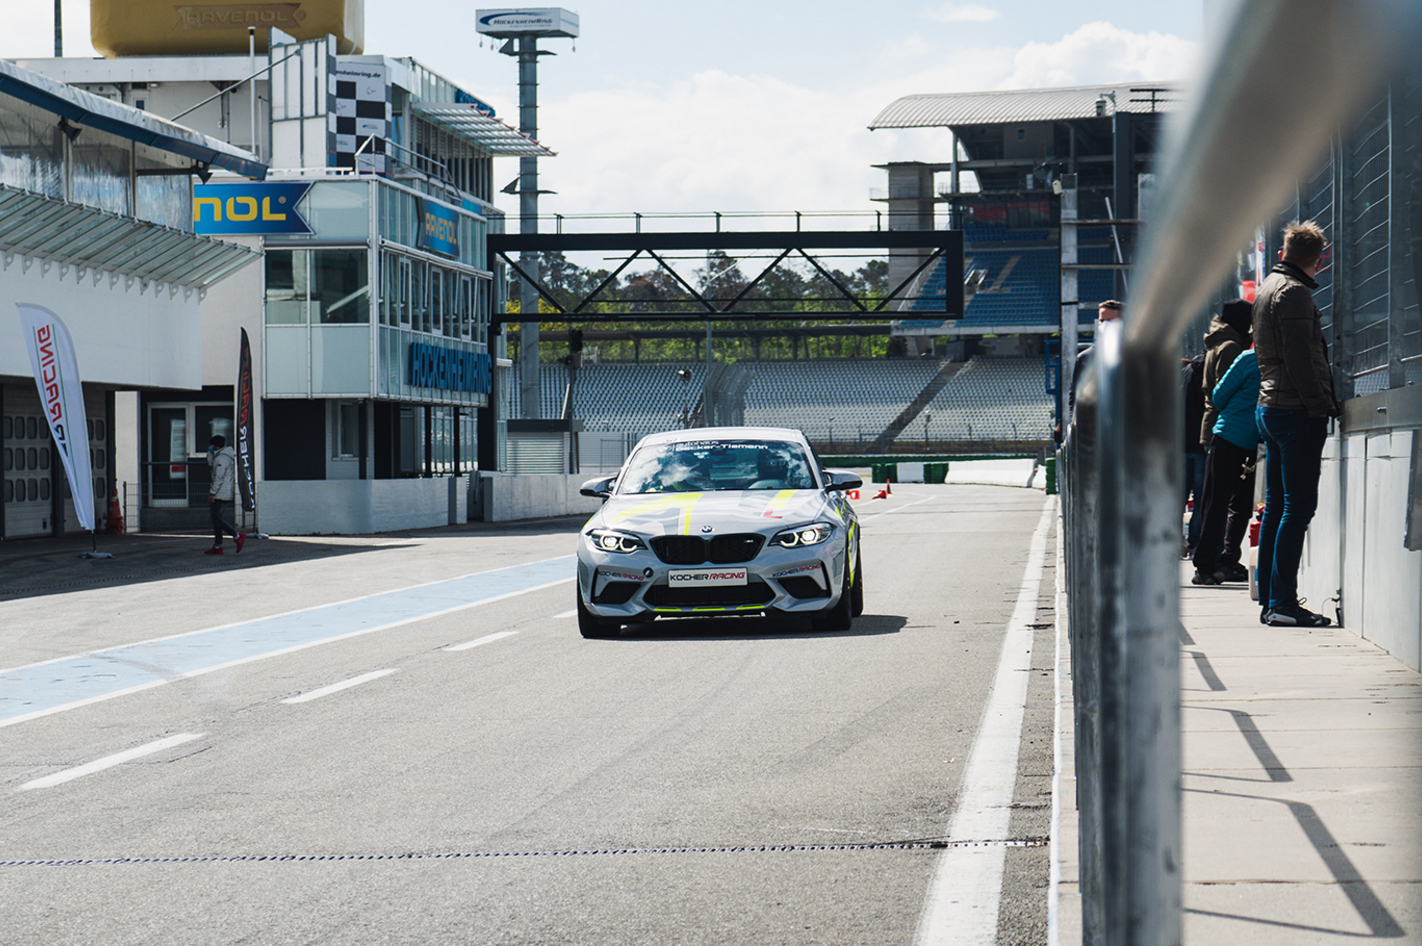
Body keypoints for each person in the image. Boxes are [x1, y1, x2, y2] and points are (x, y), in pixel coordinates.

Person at [1253, 220, 1339, 626]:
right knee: (1298, 507)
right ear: (1320, 258)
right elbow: (1300, 358)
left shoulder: (1270, 286)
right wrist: (1320, 404)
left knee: (1276, 508)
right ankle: (1282, 603)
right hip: (1295, 410)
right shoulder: (1295, 294)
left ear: (1285, 251)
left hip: (1271, 406)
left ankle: (1271, 600)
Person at [1190, 299, 1255, 581]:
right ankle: (1217, 561)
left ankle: (1215, 561)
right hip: (1230, 430)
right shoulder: (1234, 349)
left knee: (1215, 500)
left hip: (1220, 429)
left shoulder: (1220, 343)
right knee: (1225, 502)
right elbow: (1222, 393)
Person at [1181, 352, 1208, 557]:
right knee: (1200, 500)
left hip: (1181, 444)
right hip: (1201, 445)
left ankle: (1174, 542)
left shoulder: (1182, 375)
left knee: (1178, 499)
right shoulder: (1209, 376)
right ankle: (1196, 543)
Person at [205, 434, 245, 555]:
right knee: (216, 520)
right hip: (222, 492)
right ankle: (218, 546)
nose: (209, 447)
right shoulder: (220, 456)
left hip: (221, 493)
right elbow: (210, 463)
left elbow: (219, 477)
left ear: (215, 445)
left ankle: (237, 536)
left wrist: (212, 493)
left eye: (211, 445)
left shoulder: (222, 459)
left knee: (217, 518)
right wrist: (210, 452)